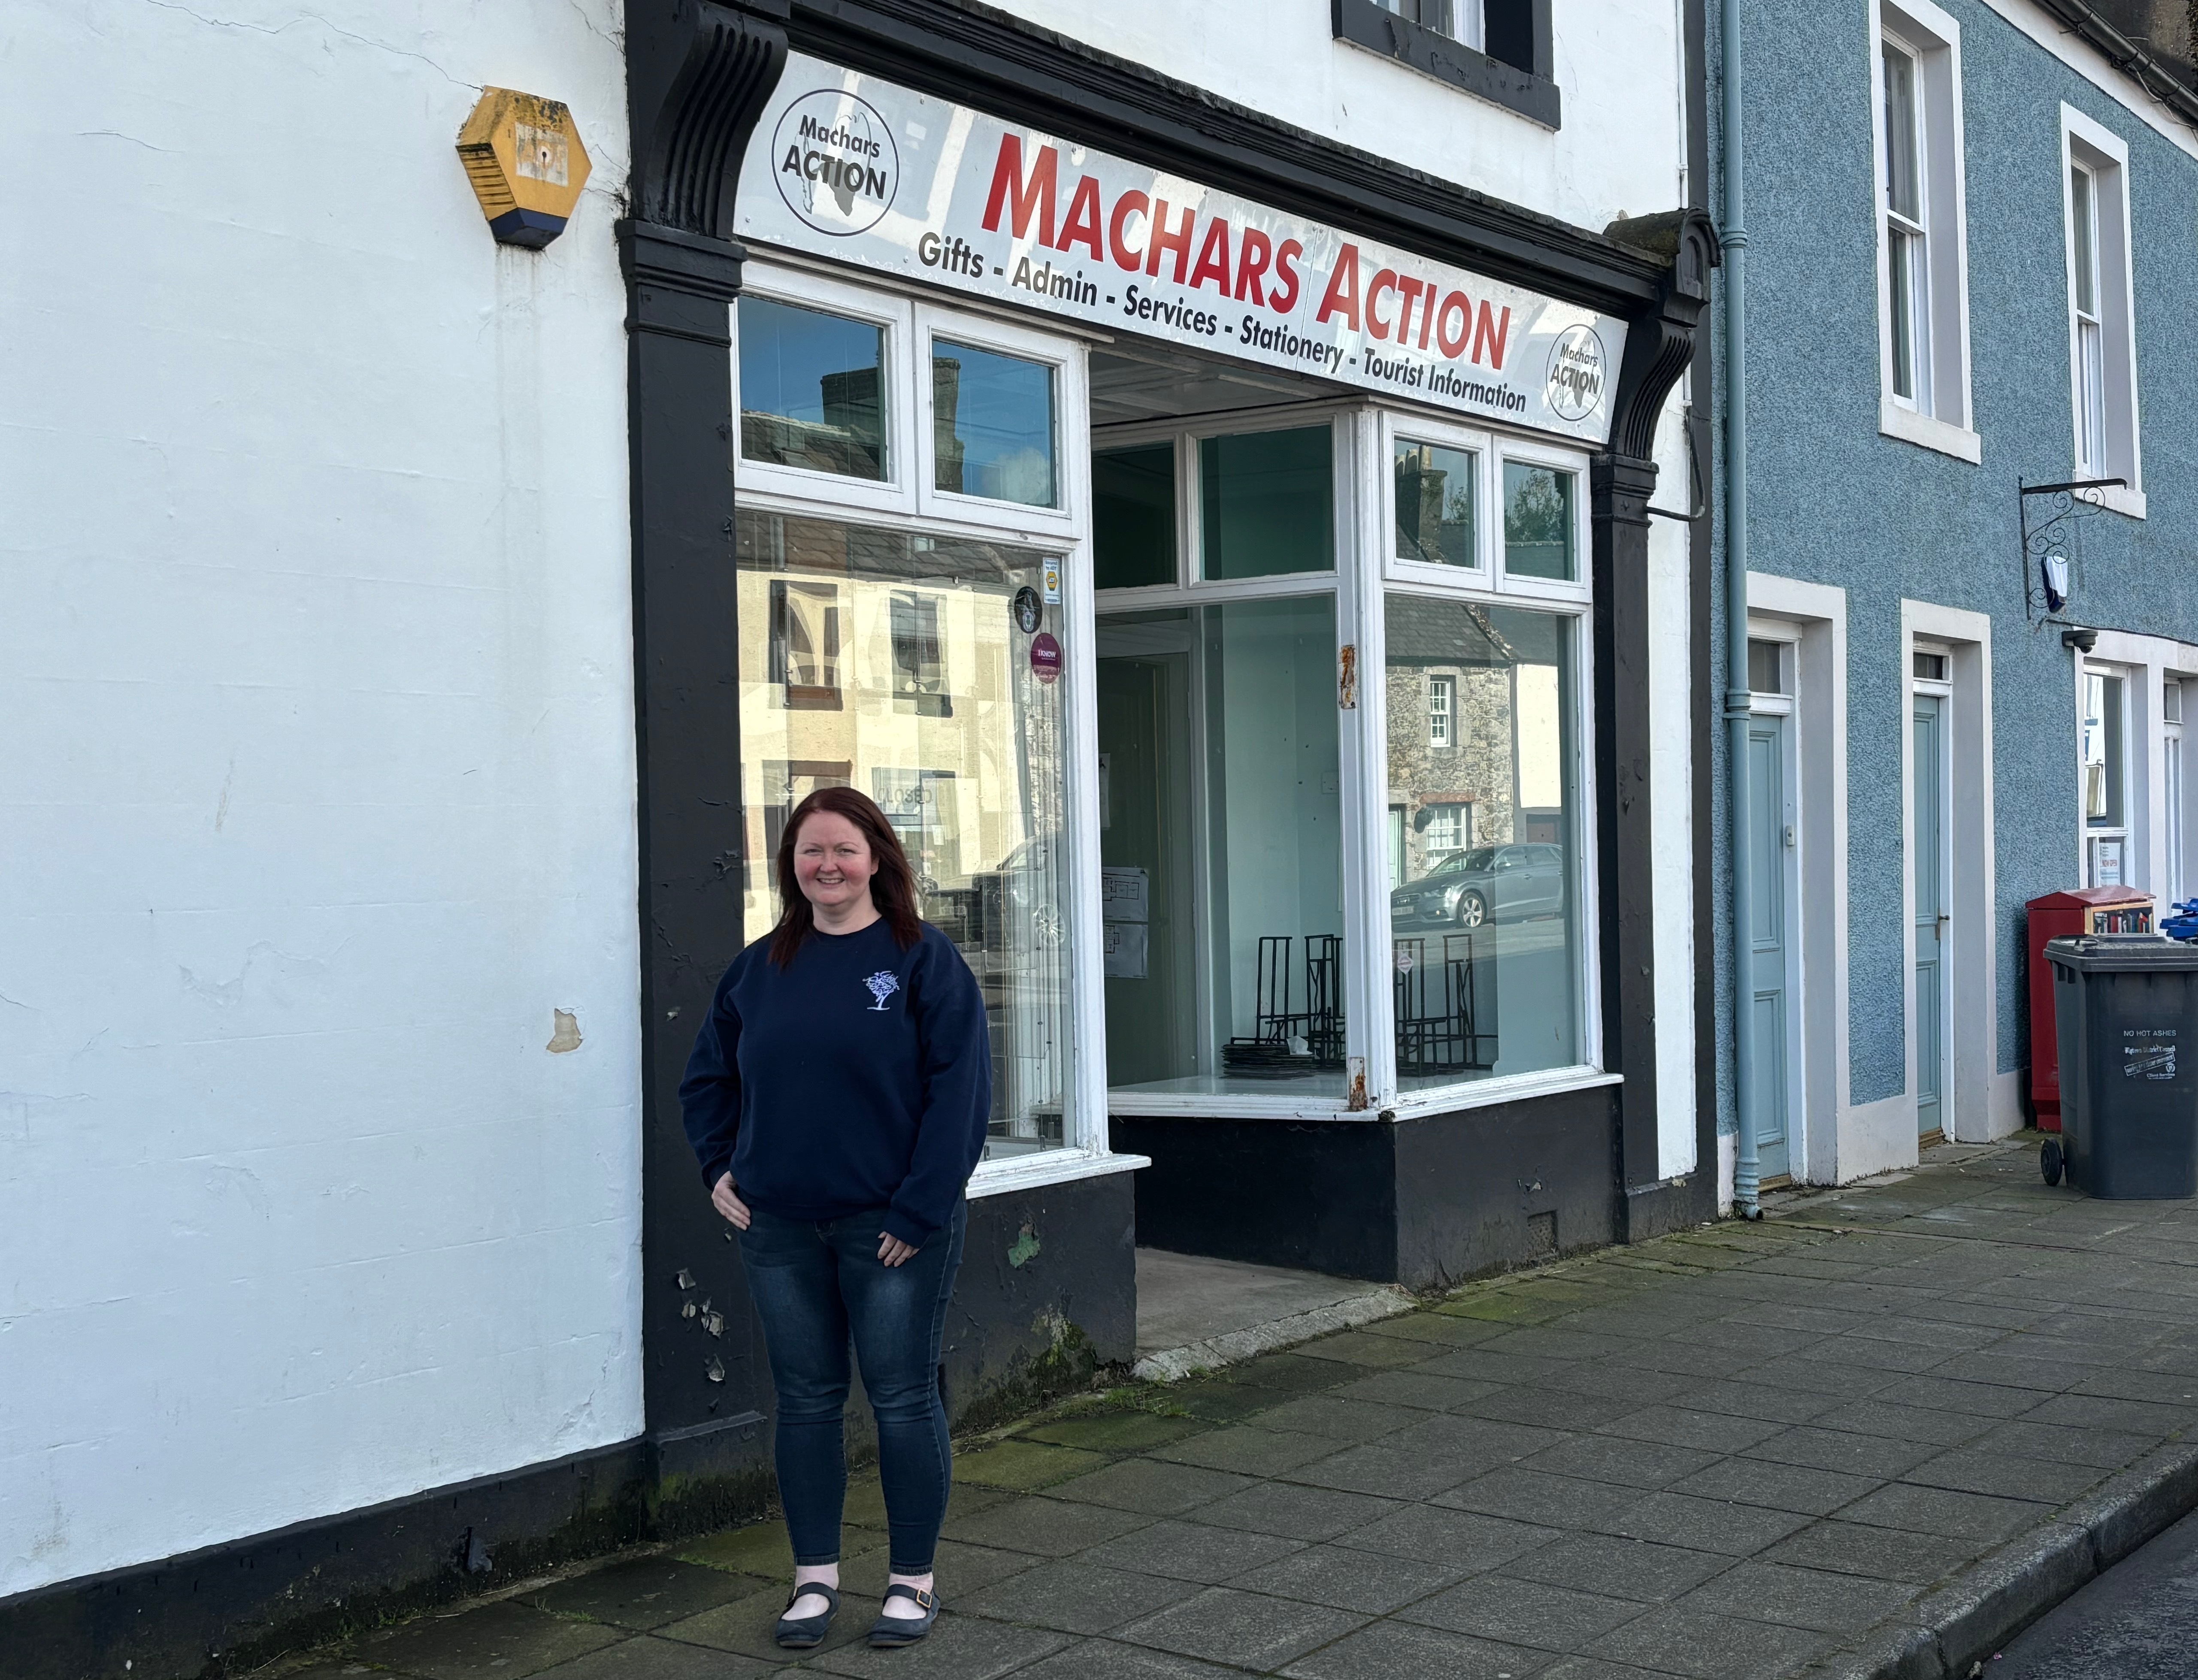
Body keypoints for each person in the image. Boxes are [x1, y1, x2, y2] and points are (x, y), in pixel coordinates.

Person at [679, 786, 991, 1651]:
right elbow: (707, 1079)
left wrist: (922, 1204)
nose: (826, 864)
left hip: (892, 1228)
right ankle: (813, 1578)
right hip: (779, 1228)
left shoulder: (923, 961)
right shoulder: (759, 967)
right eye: (809, 851)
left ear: (877, 859)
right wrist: (719, 1167)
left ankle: (910, 1581)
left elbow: (958, 1093)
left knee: (899, 1397)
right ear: (791, 866)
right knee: (807, 1401)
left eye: (843, 849)